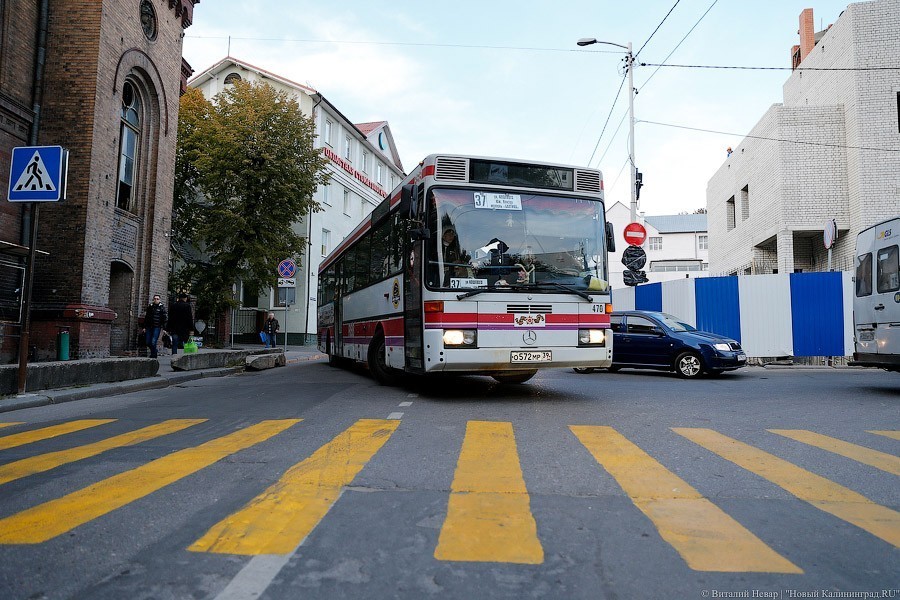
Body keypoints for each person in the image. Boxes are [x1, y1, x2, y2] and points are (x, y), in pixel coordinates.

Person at [141, 294, 167, 359]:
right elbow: (146, 317)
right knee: (147, 341)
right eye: (155, 299)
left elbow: (164, 318)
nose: (156, 300)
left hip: (157, 326)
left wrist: (164, 328)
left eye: (157, 299)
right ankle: (154, 351)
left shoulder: (161, 307)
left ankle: (153, 355)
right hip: (149, 326)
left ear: (159, 300)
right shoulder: (150, 307)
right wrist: (144, 327)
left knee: (153, 341)